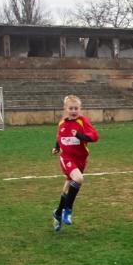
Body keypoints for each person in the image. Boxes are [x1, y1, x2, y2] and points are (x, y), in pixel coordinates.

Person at [51, 95, 99, 232]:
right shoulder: (62, 122)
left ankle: (58, 212)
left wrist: (79, 135)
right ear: (65, 109)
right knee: (78, 179)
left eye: (76, 108)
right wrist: (57, 147)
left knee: (68, 185)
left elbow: (94, 137)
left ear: (80, 109)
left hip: (80, 158)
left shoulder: (82, 121)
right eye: (71, 108)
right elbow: (59, 137)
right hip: (66, 157)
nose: (73, 111)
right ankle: (68, 210)